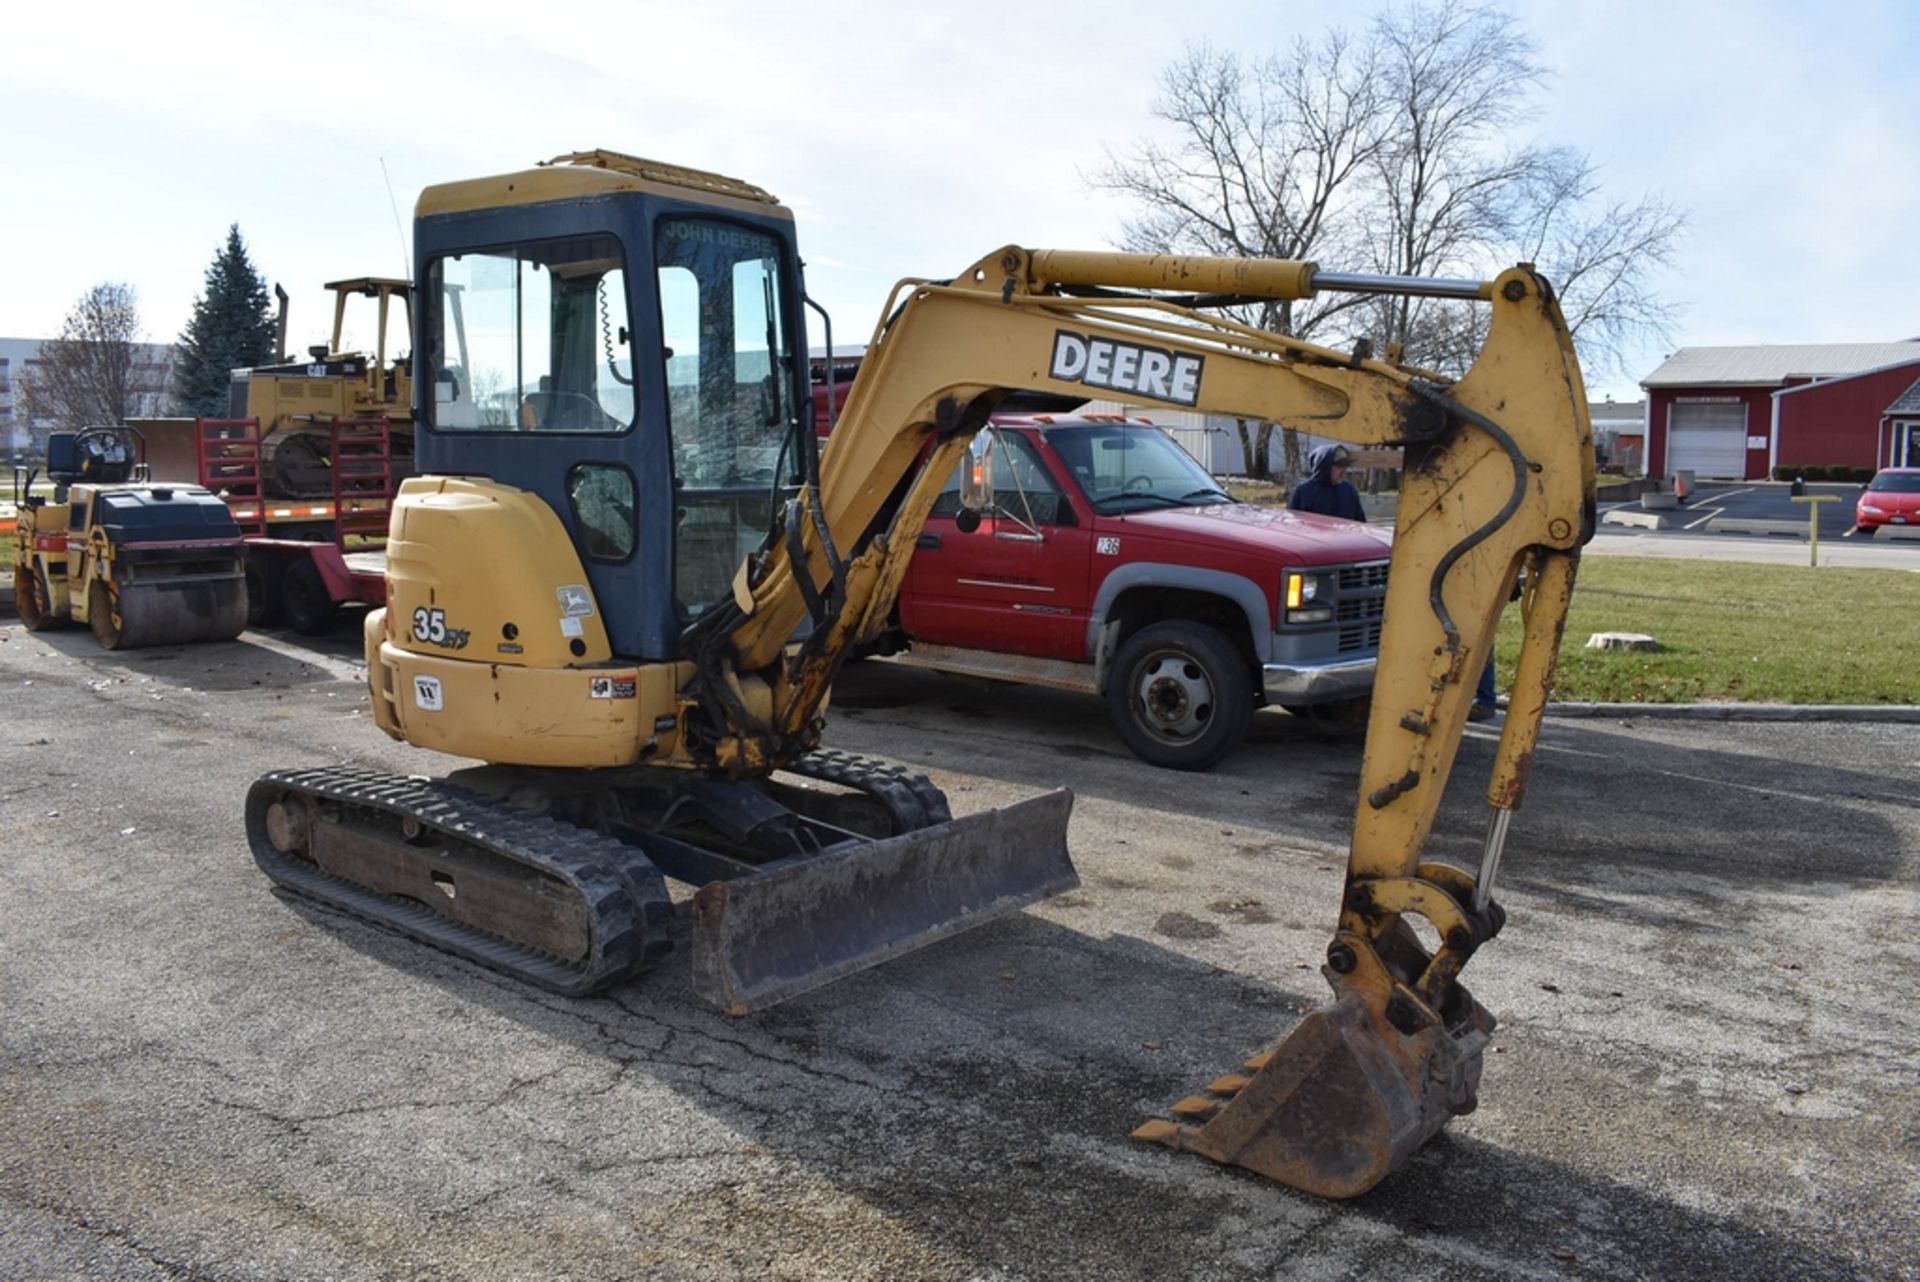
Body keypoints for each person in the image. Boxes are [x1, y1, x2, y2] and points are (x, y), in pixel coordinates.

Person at [1287, 444, 1367, 521]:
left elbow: (1360, 525)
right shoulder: (1302, 492)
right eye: (1339, 466)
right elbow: (1292, 527)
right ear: (1324, 466)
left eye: (1345, 466)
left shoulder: (1349, 491)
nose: (1343, 471)